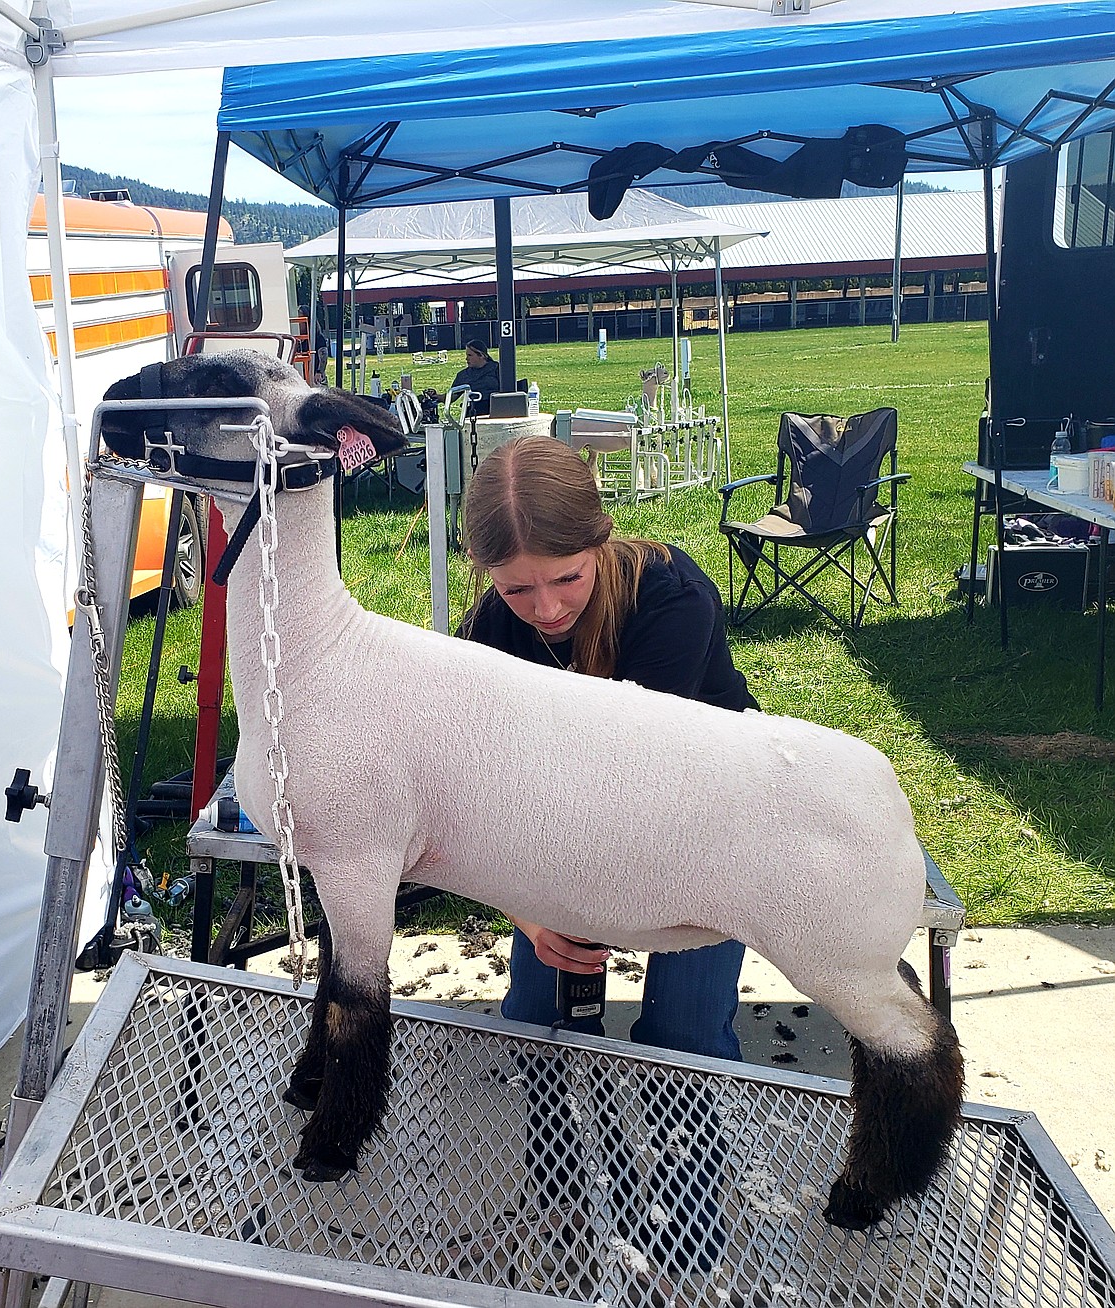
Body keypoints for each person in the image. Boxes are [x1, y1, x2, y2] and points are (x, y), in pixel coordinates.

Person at [459, 435, 760, 1283]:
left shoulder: (674, 597)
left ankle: (690, 1227)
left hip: (709, 825)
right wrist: (528, 910)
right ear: (487, 578)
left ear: (602, 539)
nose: (546, 608)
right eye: (517, 588)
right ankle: (571, 1193)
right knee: (535, 1013)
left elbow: (628, 777)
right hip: (563, 835)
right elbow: (474, 783)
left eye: (566, 578)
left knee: (683, 1031)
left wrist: (572, 900)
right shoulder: (489, 630)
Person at [445, 339, 500, 417]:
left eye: (470, 355)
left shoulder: (497, 369)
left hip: (497, 409)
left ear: (481, 355)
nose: (466, 359)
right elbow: (452, 397)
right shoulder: (463, 375)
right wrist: (437, 397)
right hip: (474, 411)